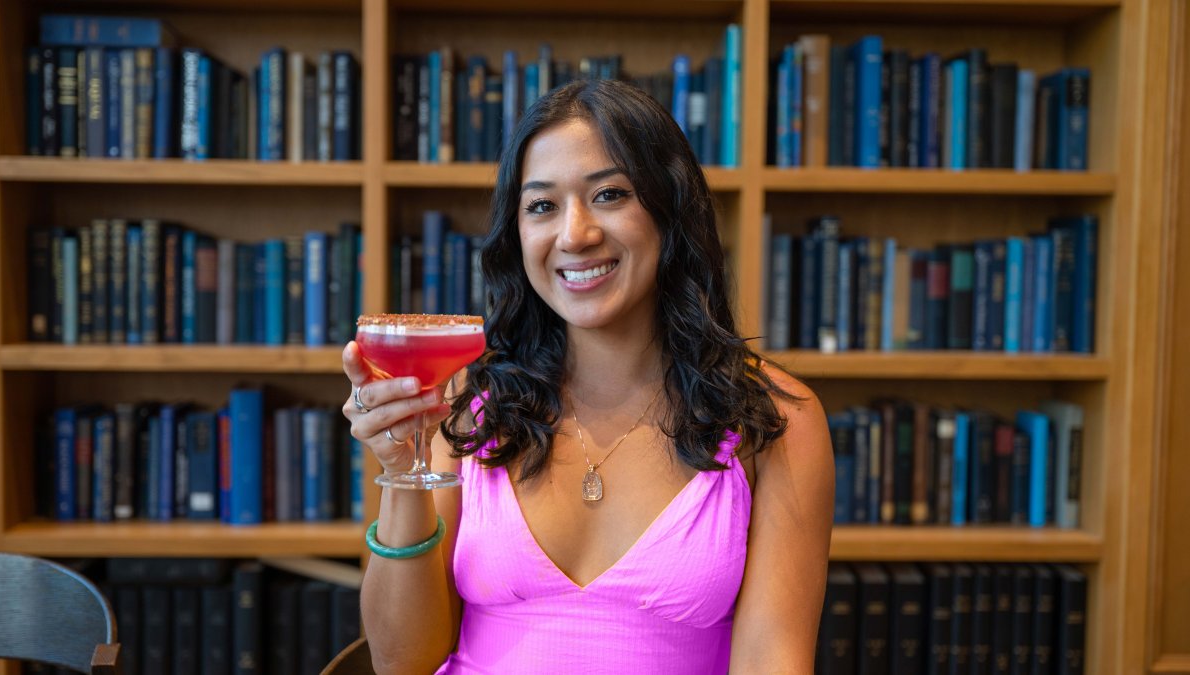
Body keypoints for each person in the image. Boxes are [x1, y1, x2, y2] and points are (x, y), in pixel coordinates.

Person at [342, 78, 834, 674]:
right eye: (542, 205)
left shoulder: (776, 417)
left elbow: (772, 661)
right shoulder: (471, 405)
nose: (575, 235)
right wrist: (401, 473)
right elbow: (401, 661)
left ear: (669, 208)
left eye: (609, 194)